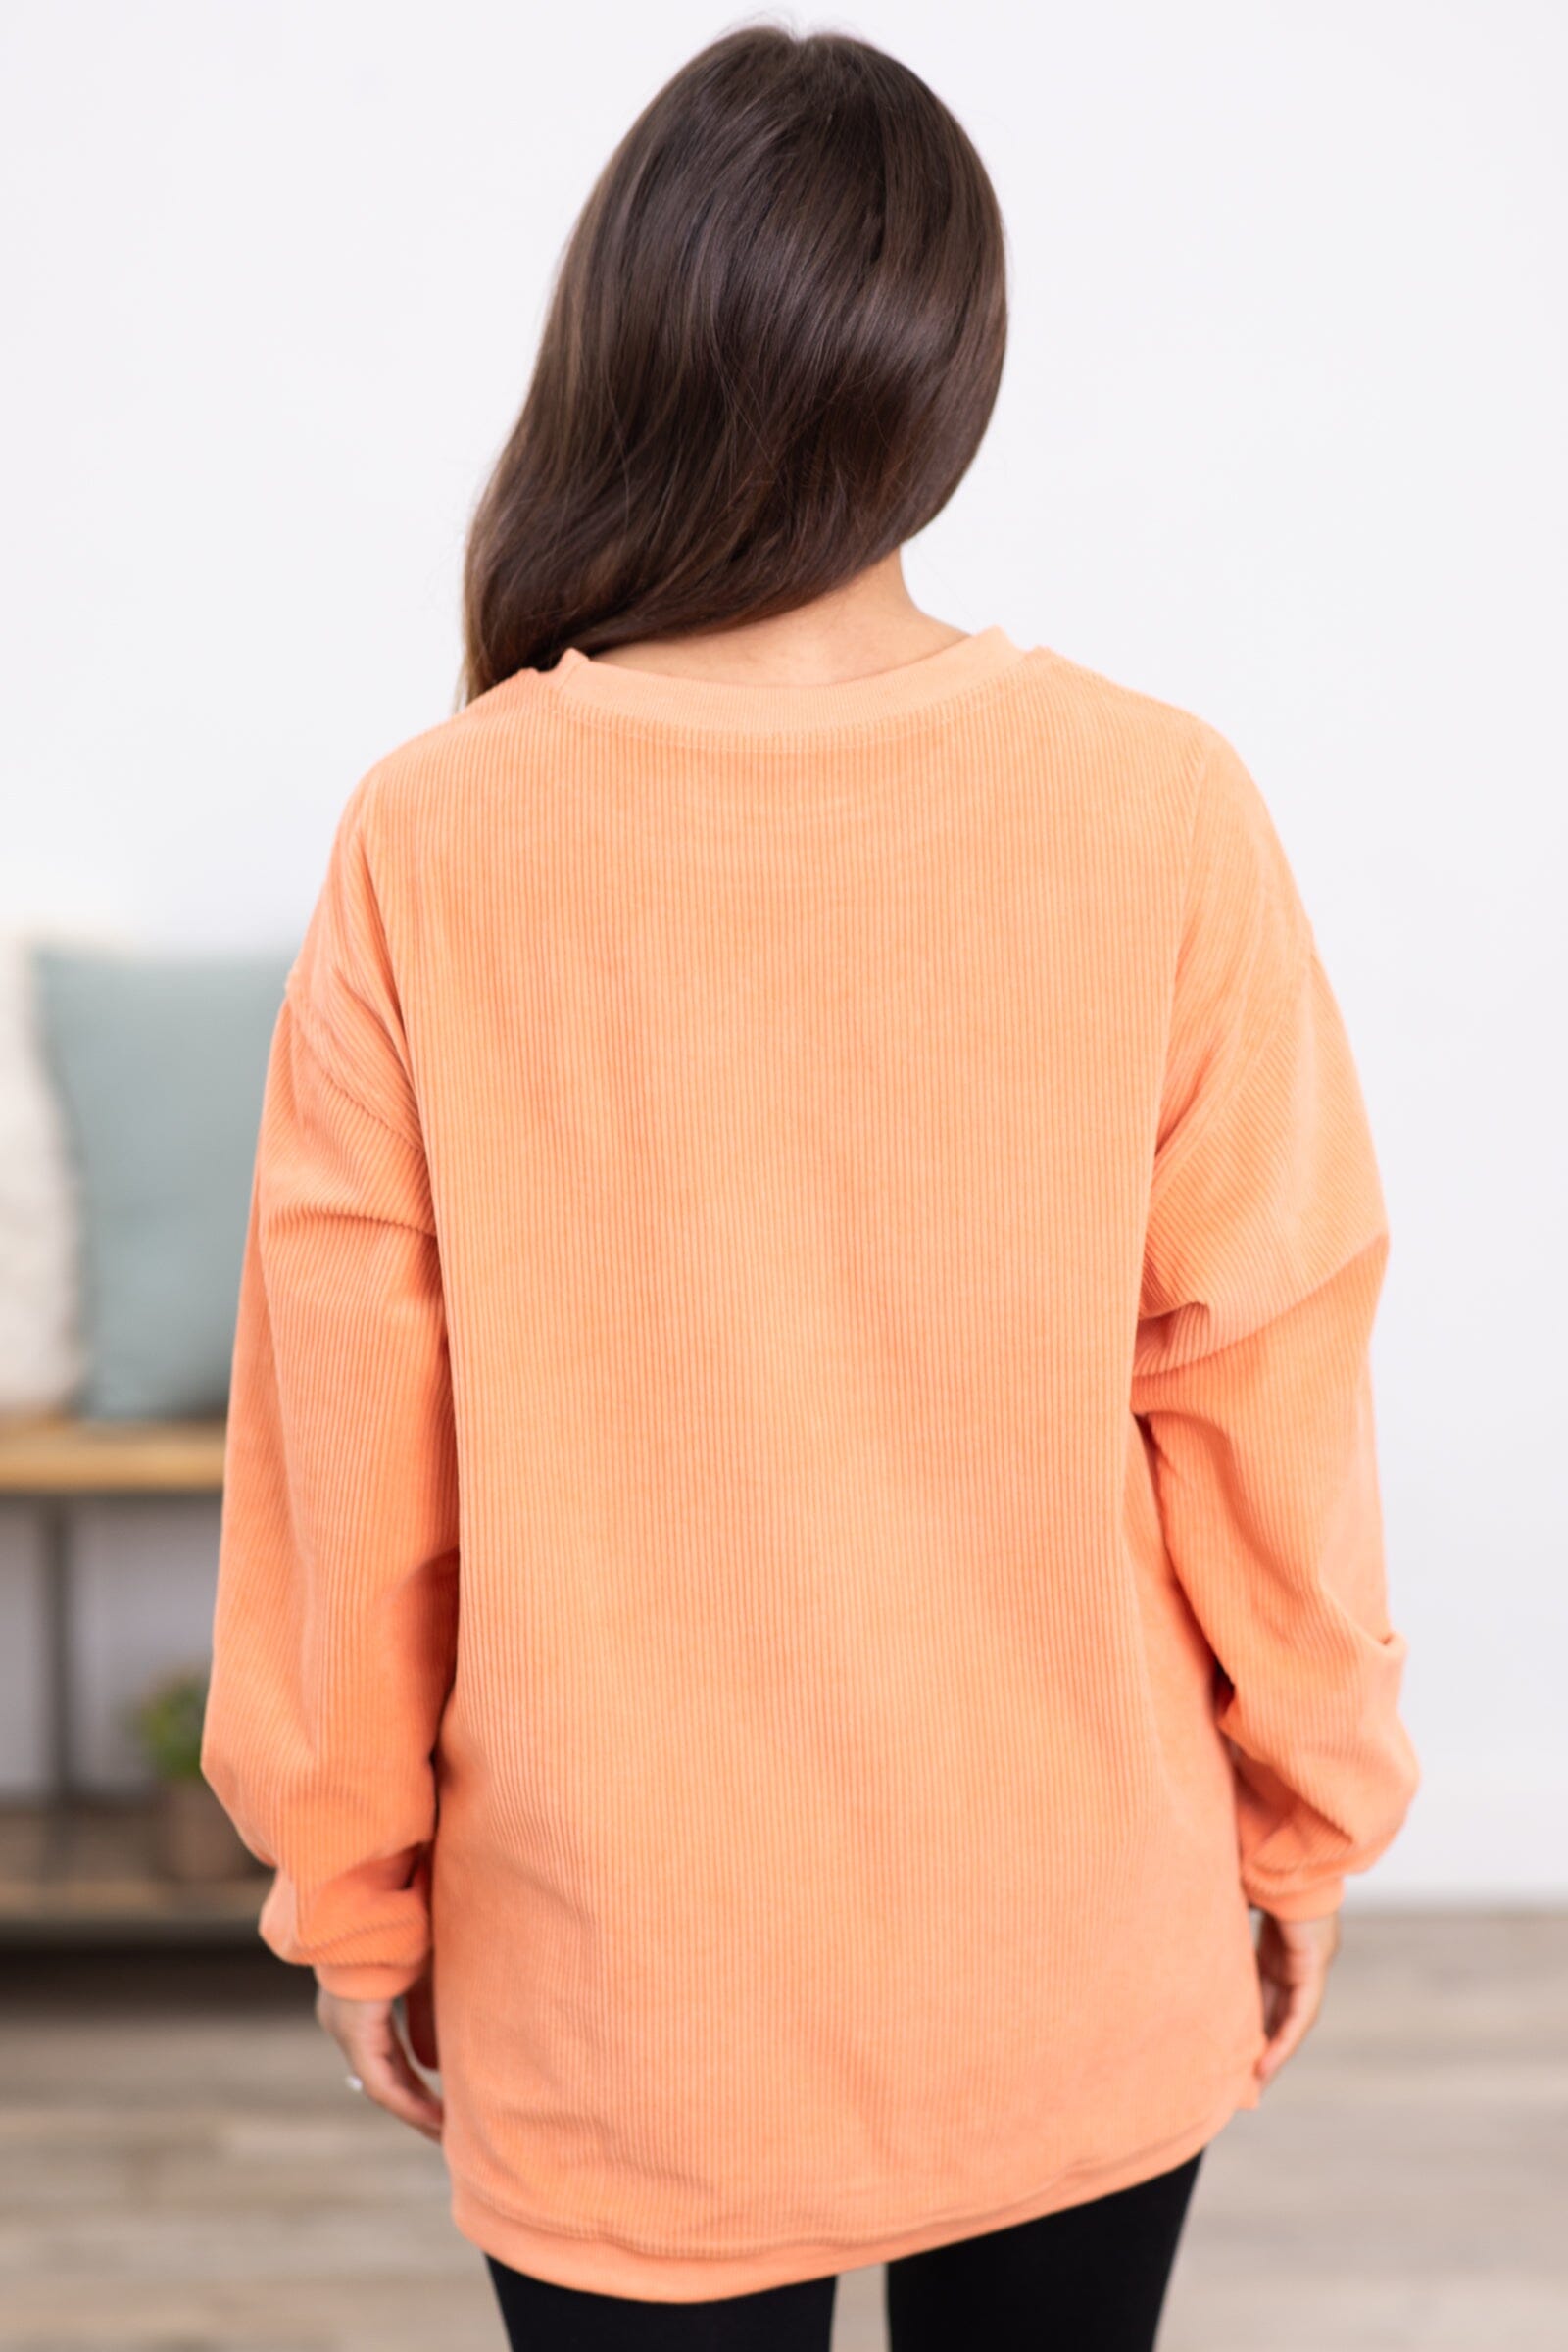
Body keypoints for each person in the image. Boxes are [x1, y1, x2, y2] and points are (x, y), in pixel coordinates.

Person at [200, 24, 1420, 2351]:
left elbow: (354, 1455)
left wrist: (353, 1893)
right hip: (1070, 1939)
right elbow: (1262, 1382)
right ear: (945, 370)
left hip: (617, 1983)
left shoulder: (435, 835)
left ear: (621, 342)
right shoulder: (1154, 804)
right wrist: (1301, 1821)